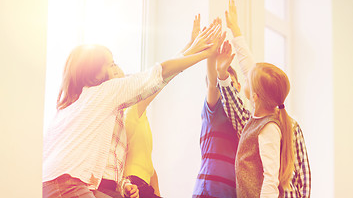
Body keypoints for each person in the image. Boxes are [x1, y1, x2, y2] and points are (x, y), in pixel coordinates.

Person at [42, 22, 226, 198]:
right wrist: (202, 53)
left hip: (50, 183)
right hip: (67, 184)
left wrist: (192, 47)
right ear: (94, 73)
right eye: (110, 64)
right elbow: (158, 74)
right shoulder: (105, 92)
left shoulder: (71, 107)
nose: (116, 67)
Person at [216, 0, 311, 197]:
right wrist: (236, 30)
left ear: (256, 96)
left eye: (248, 80)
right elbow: (250, 68)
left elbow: (273, 178)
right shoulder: (259, 118)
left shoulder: (269, 128)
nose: (245, 76)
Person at [192, 16, 239, 198]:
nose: (225, 90)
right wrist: (212, 55)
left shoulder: (243, 117)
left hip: (232, 192)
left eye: (230, 83)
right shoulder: (214, 111)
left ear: (239, 87)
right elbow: (213, 83)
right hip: (208, 190)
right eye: (223, 85)